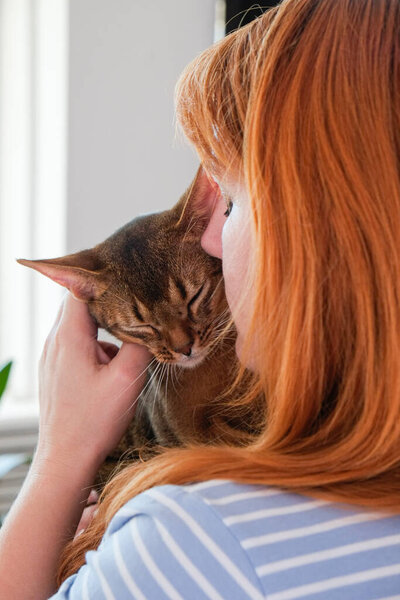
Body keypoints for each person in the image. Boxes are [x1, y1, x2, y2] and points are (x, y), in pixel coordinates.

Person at [1, 0, 400, 597]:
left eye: (234, 201)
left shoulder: (198, 539)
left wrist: (61, 456)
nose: (213, 239)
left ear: (323, 235)